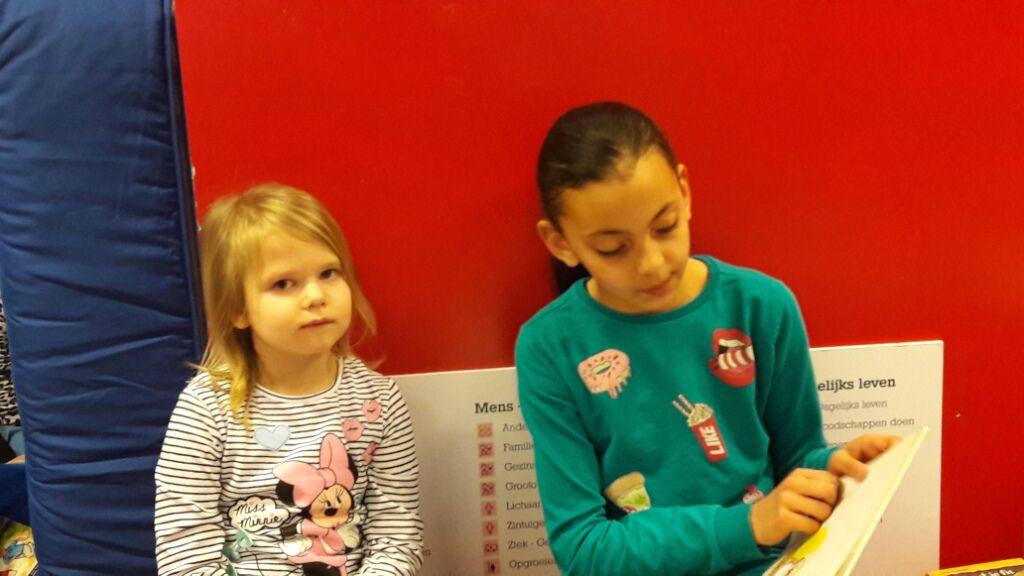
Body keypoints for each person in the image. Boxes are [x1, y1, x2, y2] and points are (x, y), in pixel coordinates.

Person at [515, 102, 896, 575]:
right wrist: (747, 526)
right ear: (560, 243)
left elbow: (797, 458)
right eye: (612, 249)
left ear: (685, 191)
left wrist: (835, 470)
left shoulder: (761, 306)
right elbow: (582, 547)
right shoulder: (549, 346)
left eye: (665, 226)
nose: (652, 264)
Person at [155, 184, 423, 576]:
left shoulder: (378, 400)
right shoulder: (205, 409)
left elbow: (397, 535)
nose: (315, 295)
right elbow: (184, 554)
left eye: (328, 273)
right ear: (238, 309)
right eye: (283, 284)